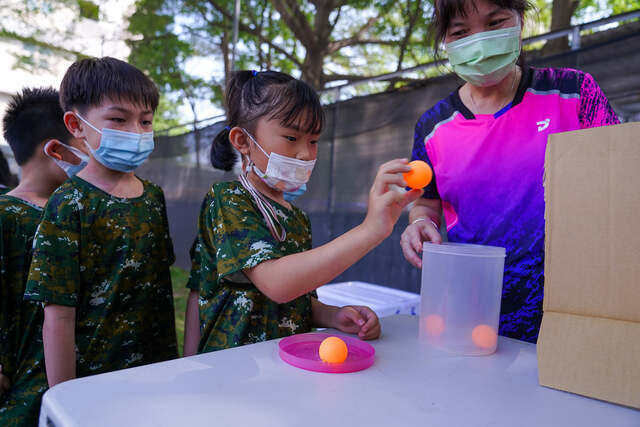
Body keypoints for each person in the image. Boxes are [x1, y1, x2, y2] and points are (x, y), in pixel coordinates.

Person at [400, 0, 620, 343]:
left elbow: (621, 180)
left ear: (519, 21)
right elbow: (425, 203)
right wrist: (419, 224)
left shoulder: (574, 93)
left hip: (576, 311)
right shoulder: (432, 127)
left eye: (495, 22)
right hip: (474, 315)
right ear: (446, 41)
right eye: (461, 32)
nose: (480, 40)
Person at [183, 70, 422, 355]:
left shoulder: (297, 219)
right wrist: (370, 230)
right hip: (233, 370)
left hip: (288, 363)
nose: (306, 154)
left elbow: (295, 300)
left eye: (313, 140)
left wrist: (334, 315)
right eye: (291, 137)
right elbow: (276, 284)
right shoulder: (228, 200)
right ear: (243, 141)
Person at [24, 57, 178, 388]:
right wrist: (66, 399)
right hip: (94, 383)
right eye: (119, 119)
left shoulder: (153, 196)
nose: (136, 132)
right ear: (76, 125)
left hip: (158, 376)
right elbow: (58, 318)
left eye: (146, 122)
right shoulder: (68, 204)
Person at [0, 87, 88, 426]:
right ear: (52, 149)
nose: (90, 152)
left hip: (89, 382)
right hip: (24, 397)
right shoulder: (7, 215)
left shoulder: (78, 208)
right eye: (81, 142)